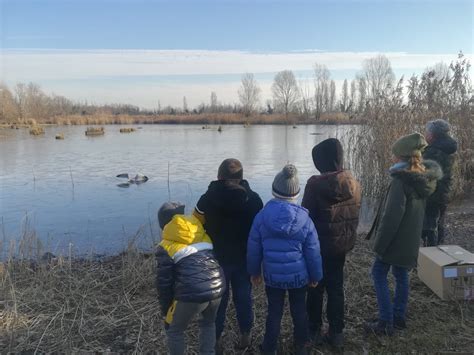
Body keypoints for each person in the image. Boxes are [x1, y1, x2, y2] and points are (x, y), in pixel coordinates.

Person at [365, 133, 442, 335]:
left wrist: (380, 245)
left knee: (378, 273)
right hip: (410, 239)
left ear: (402, 157)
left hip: (395, 240)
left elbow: (392, 217)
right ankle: (398, 317)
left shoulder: (401, 180)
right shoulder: (421, 178)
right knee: (401, 275)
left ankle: (385, 322)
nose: (392, 157)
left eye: (395, 154)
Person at [247, 164, 323, 355]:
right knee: (299, 311)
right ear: (296, 193)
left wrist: (254, 272)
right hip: (299, 278)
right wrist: (316, 276)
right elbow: (313, 251)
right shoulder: (305, 219)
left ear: (274, 190)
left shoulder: (262, 217)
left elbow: (254, 247)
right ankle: (301, 347)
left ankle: (269, 348)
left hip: (273, 278)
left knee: (274, 312)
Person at [193, 158, 263, 351]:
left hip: (216, 259)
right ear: (241, 178)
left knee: (218, 301)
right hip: (244, 259)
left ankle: (216, 340)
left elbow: (195, 227)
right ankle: (245, 335)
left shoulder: (206, 199)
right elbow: (260, 231)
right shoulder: (254, 199)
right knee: (244, 297)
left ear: (219, 177)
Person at [302, 138, 361, 349]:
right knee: (336, 288)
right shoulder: (353, 183)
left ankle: (314, 329)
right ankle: (336, 333)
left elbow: (305, 217)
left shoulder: (314, 185)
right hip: (341, 246)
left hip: (318, 247)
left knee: (315, 287)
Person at [156, 202, 226, 355]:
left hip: (192, 291)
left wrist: (166, 309)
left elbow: (164, 282)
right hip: (217, 286)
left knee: (174, 330)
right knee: (208, 323)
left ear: (163, 225)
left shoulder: (165, 246)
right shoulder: (201, 234)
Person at [422, 119, 458, 246]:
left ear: (432, 135)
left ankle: (432, 254)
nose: (425, 134)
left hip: (433, 194)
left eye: (427, 132)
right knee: (439, 222)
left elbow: (423, 174)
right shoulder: (447, 148)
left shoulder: (432, 151)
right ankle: (439, 251)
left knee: (429, 226)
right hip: (444, 192)